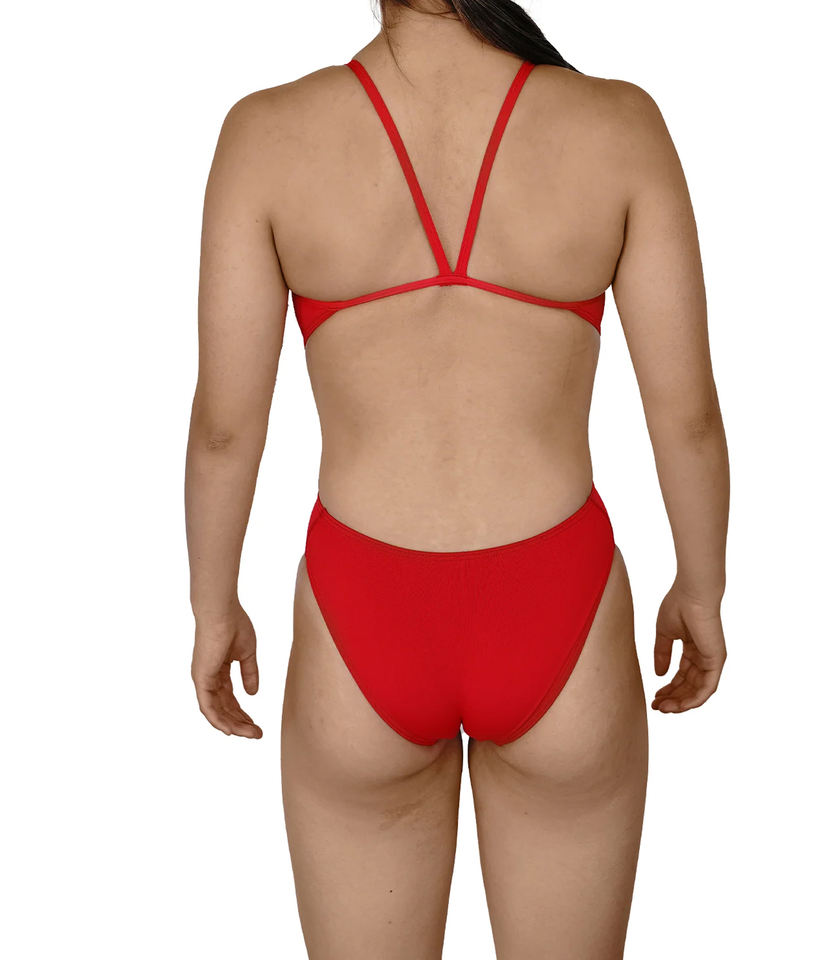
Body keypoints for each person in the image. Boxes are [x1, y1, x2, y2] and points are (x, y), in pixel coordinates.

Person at [184, 0, 729, 956]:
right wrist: (703, 587)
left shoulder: (265, 137)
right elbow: (686, 415)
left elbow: (226, 430)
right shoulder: (620, 126)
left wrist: (212, 604)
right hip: (559, 605)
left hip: (362, 615)